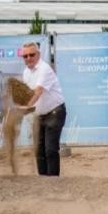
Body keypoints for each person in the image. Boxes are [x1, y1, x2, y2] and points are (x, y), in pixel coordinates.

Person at [19, 42, 67, 176]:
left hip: (55, 112)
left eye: (31, 55)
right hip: (39, 115)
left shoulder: (44, 69)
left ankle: (53, 181)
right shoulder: (25, 73)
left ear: (38, 55)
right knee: (39, 151)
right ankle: (42, 181)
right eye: (25, 56)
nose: (28, 58)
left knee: (50, 150)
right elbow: (27, 95)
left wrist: (26, 107)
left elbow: (38, 91)